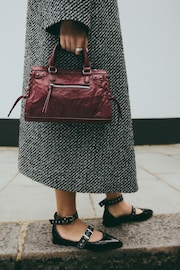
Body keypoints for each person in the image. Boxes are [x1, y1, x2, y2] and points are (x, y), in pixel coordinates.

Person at [19, 0, 153, 251]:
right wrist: (69, 15)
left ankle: (114, 201)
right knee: (69, 107)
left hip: (94, 12)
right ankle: (65, 220)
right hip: (76, 12)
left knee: (101, 109)